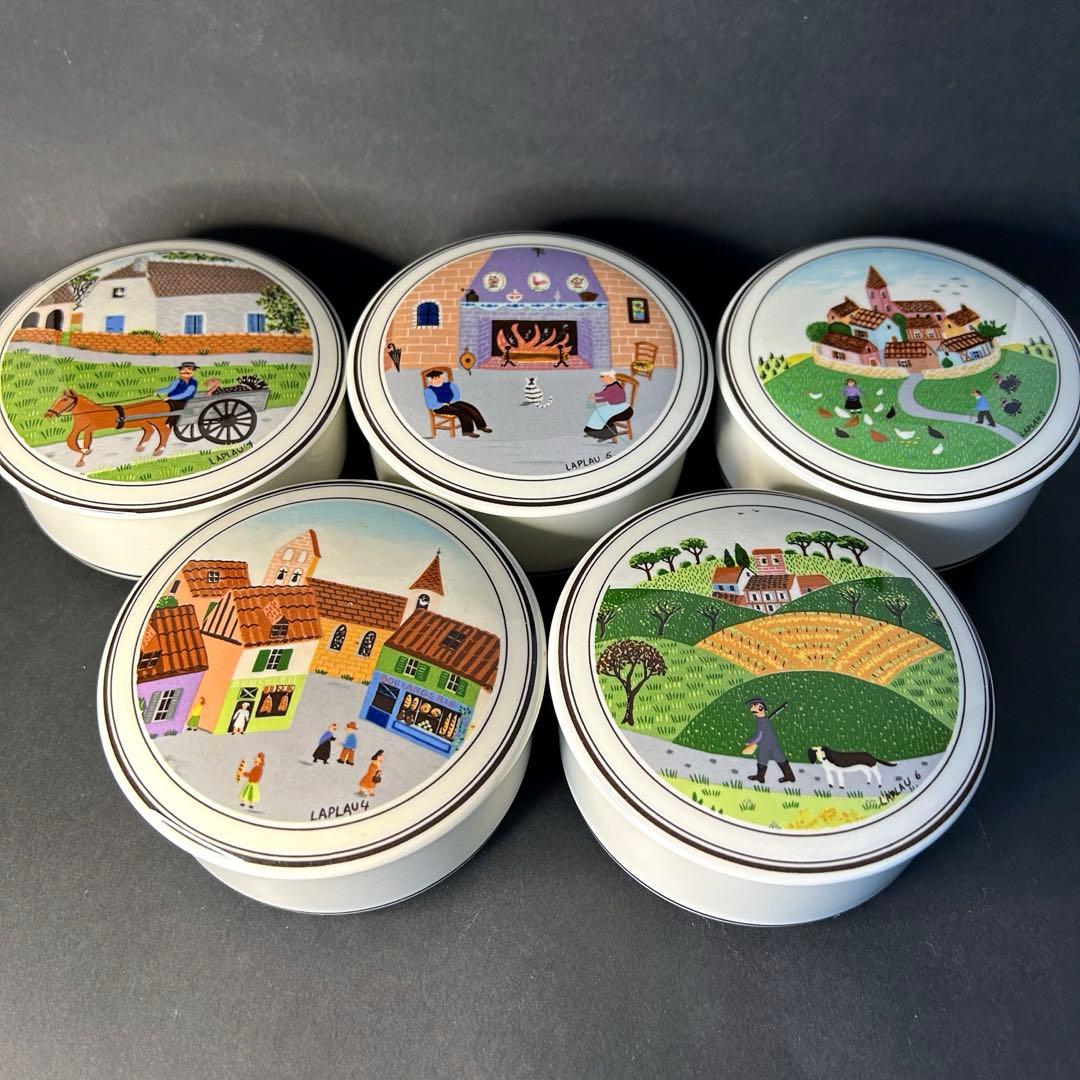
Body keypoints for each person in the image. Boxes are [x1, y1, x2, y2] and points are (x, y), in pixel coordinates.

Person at [423, 369, 491, 438]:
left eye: (439, 377)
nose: (438, 379)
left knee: (470, 408)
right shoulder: (429, 390)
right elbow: (431, 404)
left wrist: (452, 401)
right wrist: (443, 404)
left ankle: (481, 426)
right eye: (435, 378)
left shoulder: (450, 384)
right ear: (431, 381)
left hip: (452, 402)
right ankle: (467, 431)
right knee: (461, 412)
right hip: (440, 407)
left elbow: (457, 395)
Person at [743, 698, 796, 784]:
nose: (751, 708)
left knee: (779, 760)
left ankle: (789, 776)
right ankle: (761, 777)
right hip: (767, 744)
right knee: (763, 761)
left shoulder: (763, 721)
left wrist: (750, 741)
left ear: (760, 708)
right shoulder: (762, 720)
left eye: (753, 706)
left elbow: (759, 736)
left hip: (768, 744)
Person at [584, 370, 631, 441]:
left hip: (621, 409)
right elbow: (603, 393)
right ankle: (593, 430)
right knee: (597, 412)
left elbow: (606, 398)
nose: (602, 379)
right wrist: (594, 395)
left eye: (603, 377)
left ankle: (607, 434)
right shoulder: (609, 386)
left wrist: (595, 400)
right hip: (613, 406)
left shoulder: (614, 387)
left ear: (610, 377)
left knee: (604, 415)